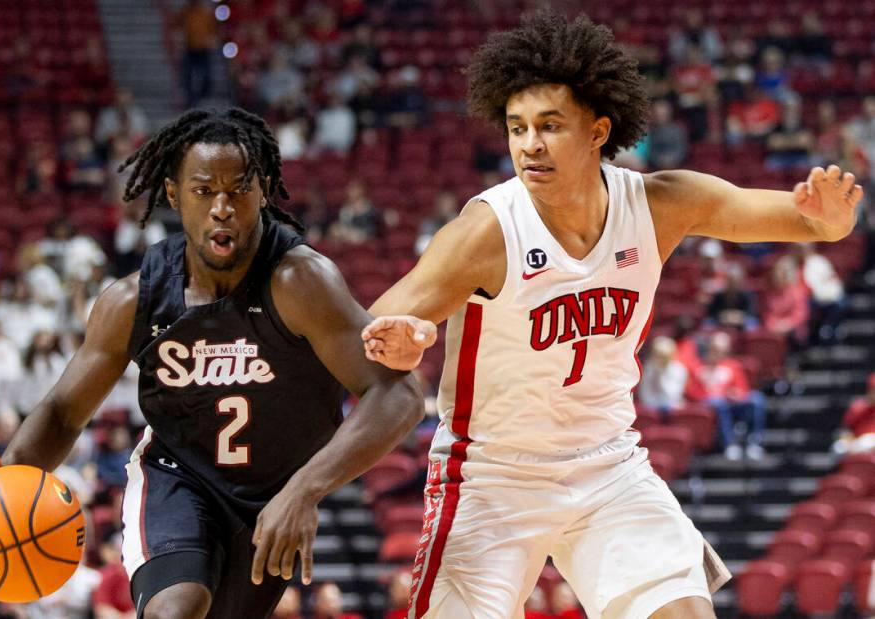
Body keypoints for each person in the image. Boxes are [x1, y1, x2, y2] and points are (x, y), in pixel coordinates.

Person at [361, 11, 862, 619]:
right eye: (516, 128)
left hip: (608, 465)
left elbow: (800, 218)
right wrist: (403, 341)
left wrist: (831, 220)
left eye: (550, 125)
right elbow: (381, 324)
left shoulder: (659, 204)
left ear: (598, 131)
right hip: (491, 476)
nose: (530, 145)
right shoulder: (488, 230)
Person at [0, 107, 423, 619]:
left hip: (271, 497)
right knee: (179, 608)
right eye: (203, 190)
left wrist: (306, 489)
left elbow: (400, 393)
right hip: (176, 478)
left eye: (238, 189)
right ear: (173, 195)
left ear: (262, 191)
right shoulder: (135, 300)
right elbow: (63, 411)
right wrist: (1, 484)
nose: (222, 207)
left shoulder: (300, 284)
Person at [686, 332, 767, 461]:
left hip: (733, 404)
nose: (718, 353)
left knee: (757, 399)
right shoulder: (698, 367)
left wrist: (736, 393)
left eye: (722, 350)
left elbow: (743, 389)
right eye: (716, 349)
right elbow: (692, 392)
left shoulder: (733, 366)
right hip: (712, 406)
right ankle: (729, 444)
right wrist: (719, 395)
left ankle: (754, 442)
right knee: (719, 403)